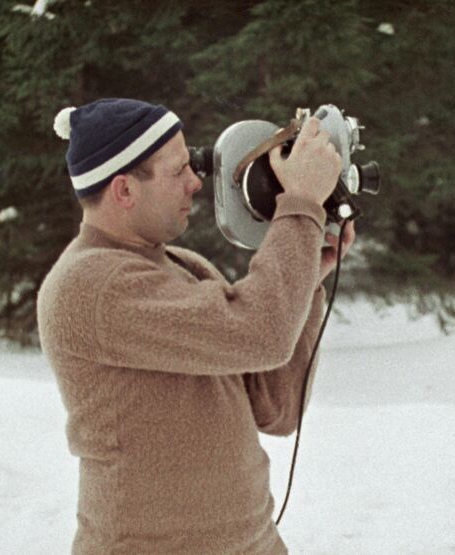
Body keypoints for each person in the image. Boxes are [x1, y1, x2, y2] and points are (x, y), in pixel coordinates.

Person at [36, 98, 356, 554]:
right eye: (179, 171)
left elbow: (277, 408)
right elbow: (259, 332)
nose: (195, 184)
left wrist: (310, 279)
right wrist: (300, 203)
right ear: (124, 190)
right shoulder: (92, 284)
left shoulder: (181, 267)